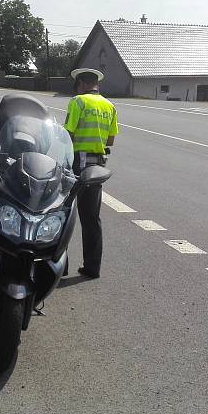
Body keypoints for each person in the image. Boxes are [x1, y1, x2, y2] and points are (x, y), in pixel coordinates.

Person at [64, 68, 119, 279]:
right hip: (97, 167)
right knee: (91, 218)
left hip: (76, 163)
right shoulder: (109, 105)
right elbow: (111, 140)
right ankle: (92, 267)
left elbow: (68, 133)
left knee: (63, 213)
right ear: (98, 85)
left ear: (80, 84)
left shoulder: (78, 101)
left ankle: (61, 266)